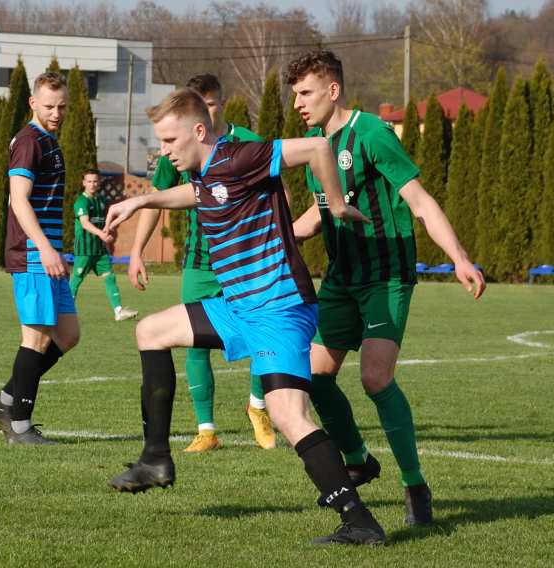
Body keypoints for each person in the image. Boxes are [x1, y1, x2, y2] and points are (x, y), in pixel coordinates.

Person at [105, 87, 386, 546]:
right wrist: (141, 202)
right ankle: (155, 458)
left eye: (171, 141)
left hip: (278, 307)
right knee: (150, 330)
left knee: (287, 415)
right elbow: (196, 194)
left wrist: (333, 205)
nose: (164, 151)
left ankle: (359, 521)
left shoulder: (238, 157)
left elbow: (317, 147)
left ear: (199, 131)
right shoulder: (210, 172)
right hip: (238, 306)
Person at [285, 50, 486, 525]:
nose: (298, 103)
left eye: (305, 93)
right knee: (312, 376)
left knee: (375, 378)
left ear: (332, 91)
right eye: (294, 95)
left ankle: (415, 485)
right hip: (341, 278)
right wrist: (273, 236)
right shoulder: (315, 142)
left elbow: (419, 200)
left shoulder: (371, 133)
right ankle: (357, 459)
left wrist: (458, 257)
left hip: (385, 275)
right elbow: (320, 213)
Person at [128, 73, 276, 452]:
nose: (206, 114)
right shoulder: (176, 150)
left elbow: (281, 197)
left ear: (219, 105)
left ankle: (258, 407)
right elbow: (155, 197)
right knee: (192, 343)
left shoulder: (248, 145)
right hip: (199, 261)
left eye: (211, 105)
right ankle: (206, 429)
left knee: (262, 334)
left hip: (246, 263)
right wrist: (136, 252)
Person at [0, 72, 80, 445]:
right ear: (33, 103)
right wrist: (45, 247)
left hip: (47, 251)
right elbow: (18, 200)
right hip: (33, 253)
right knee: (36, 338)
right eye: (50, 106)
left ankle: (6, 398)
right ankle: (19, 426)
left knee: (67, 335)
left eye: (62, 106)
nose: (56, 113)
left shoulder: (48, 140)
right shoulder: (28, 142)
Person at [69, 168, 138, 321]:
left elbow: (103, 222)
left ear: (99, 182)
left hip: (99, 249)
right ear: (83, 183)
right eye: (89, 181)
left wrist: (107, 230)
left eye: (95, 181)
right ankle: (64, 312)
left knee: (110, 277)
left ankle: (118, 311)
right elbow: (85, 223)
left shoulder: (100, 200)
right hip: (84, 249)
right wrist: (102, 234)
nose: (92, 184)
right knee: (76, 279)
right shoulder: (82, 201)